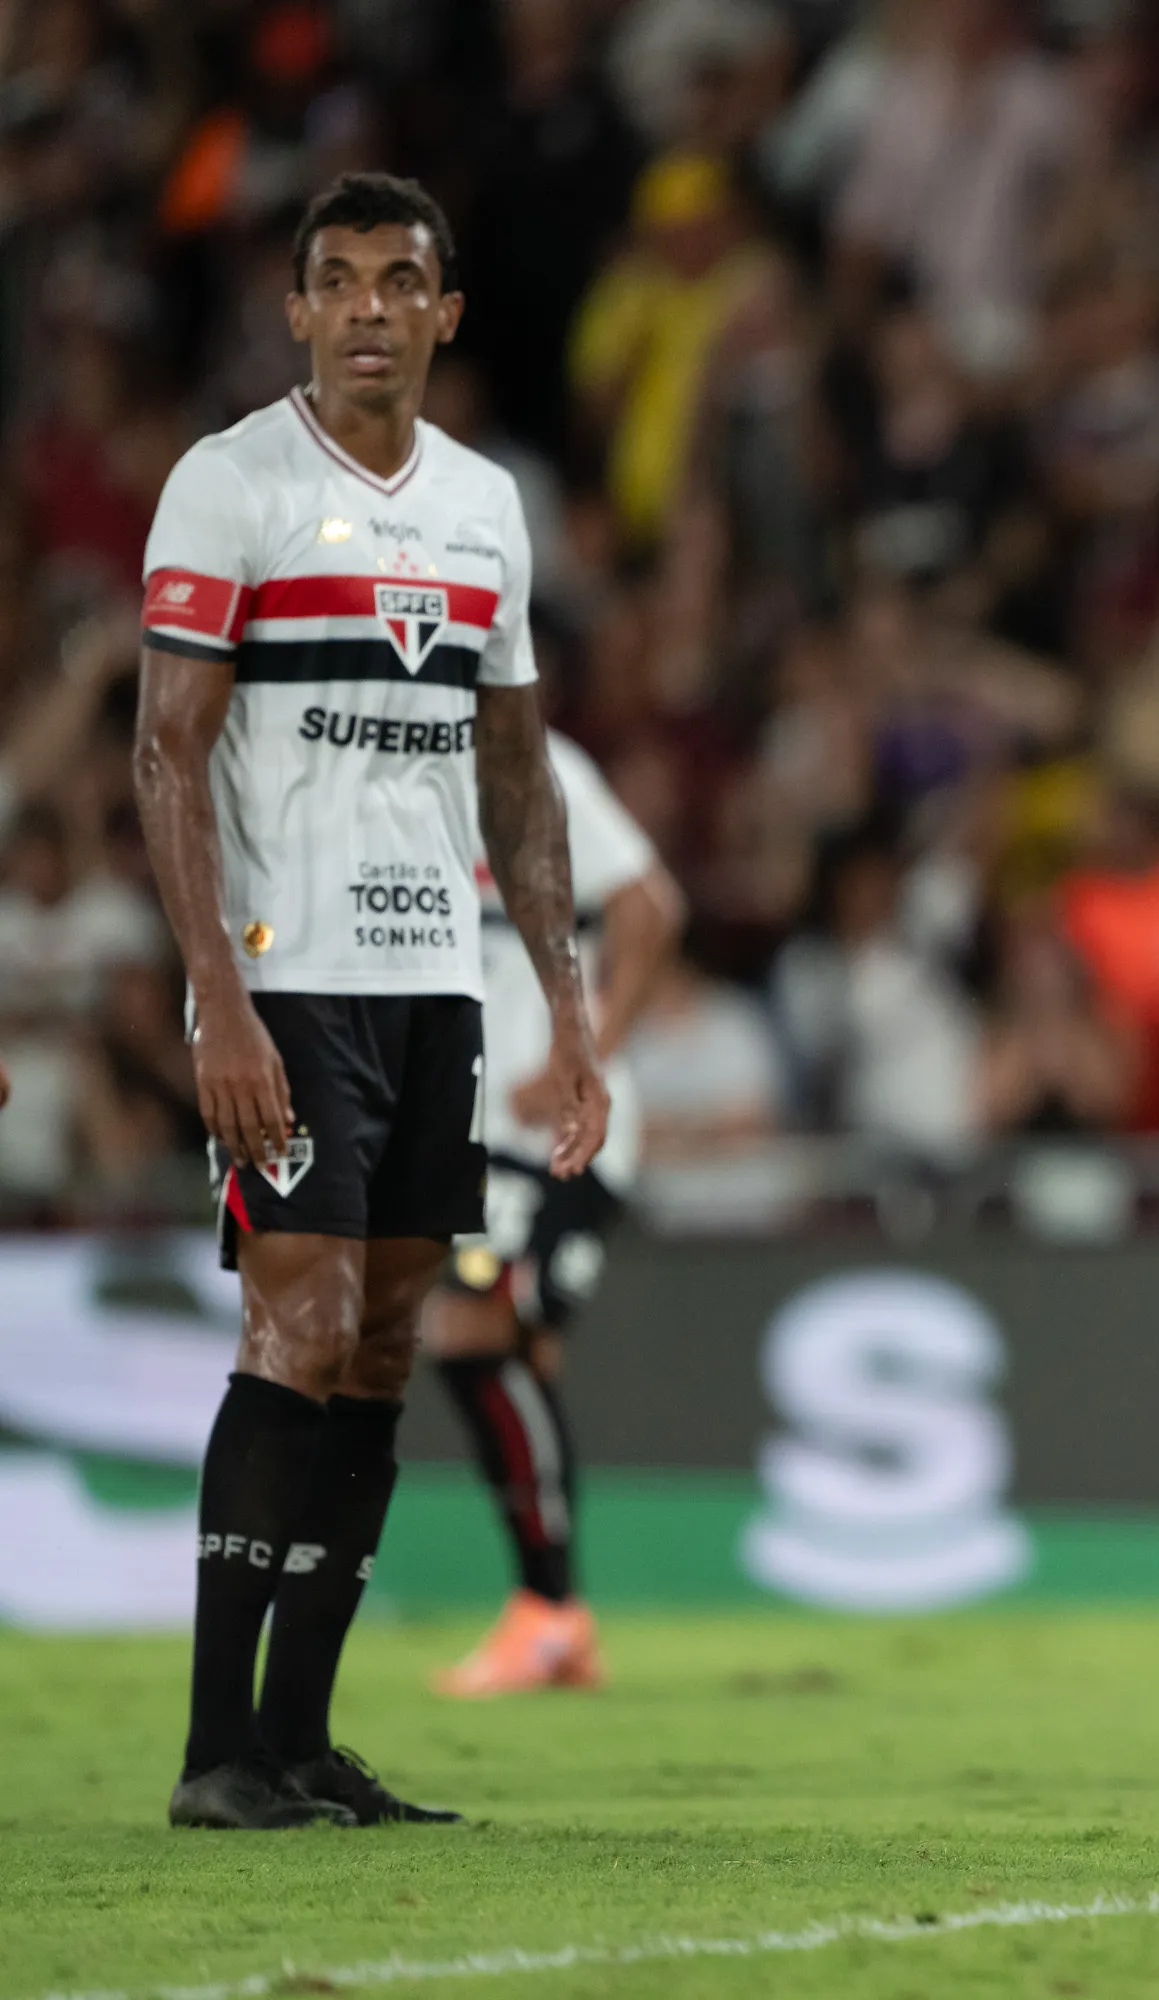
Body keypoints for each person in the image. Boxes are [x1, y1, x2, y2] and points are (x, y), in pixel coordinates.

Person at [133, 173, 607, 1829]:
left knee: (391, 1344)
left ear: (446, 312)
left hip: (433, 992)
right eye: (335, 282)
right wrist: (220, 999)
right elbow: (165, 753)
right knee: (303, 1324)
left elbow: (517, 774)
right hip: (286, 981)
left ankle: (301, 1739)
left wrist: (568, 999)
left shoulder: (484, 507)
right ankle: (214, 1750)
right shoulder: (229, 485)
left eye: (399, 282)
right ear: (295, 308)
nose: (365, 312)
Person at [424, 729, 681, 1697]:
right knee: (520, 1357)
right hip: (480, 1132)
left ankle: (550, 1611)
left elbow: (651, 905)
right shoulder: (395, 763)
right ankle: (554, 1621)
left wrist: (586, 1052)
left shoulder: (535, 765)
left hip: (554, 1134)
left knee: (465, 1327)